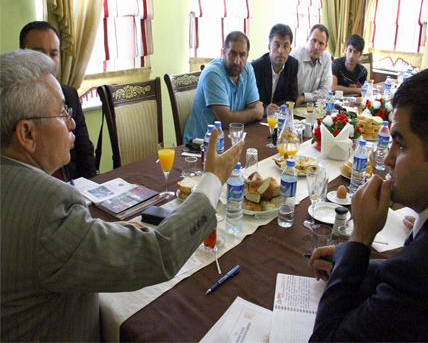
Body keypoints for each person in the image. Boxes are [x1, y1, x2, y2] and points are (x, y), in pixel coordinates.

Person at [0, 49, 245, 342]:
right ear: (26, 134)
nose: (73, 122)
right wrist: (212, 180)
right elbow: (158, 254)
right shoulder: (48, 207)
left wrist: (93, 234)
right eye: (62, 112)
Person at [308, 67, 428, 341]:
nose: (387, 160)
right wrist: (349, 260)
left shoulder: (422, 275)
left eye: (401, 145)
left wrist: (360, 239)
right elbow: (396, 274)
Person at [20, 21, 96, 181]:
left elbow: (85, 152)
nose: (48, 61)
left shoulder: (70, 95)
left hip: (73, 188)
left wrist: (91, 190)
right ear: (22, 55)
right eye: (38, 52)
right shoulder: (12, 103)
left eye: (53, 54)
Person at [183, 31, 264, 143]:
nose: (237, 61)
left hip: (229, 139)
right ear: (223, 52)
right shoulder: (213, 74)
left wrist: (249, 112)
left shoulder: (248, 68)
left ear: (247, 56)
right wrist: (254, 113)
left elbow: (253, 105)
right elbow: (226, 122)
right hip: (200, 144)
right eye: (232, 53)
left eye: (242, 55)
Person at [251, 24, 298, 112]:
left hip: (280, 115)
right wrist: (265, 108)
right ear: (269, 47)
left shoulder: (293, 65)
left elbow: (292, 98)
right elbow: (251, 101)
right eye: (277, 45)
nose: (281, 51)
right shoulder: (256, 67)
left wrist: (278, 108)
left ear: (290, 50)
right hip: (259, 116)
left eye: (285, 46)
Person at [290, 24, 332, 107]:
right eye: (314, 40)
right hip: (293, 105)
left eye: (321, 43)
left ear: (325, 47)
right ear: (307, 39)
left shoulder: (326, 58)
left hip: (312, 107)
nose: (316, 47)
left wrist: (304, 97)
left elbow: (326, 91)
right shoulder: (295, 56)